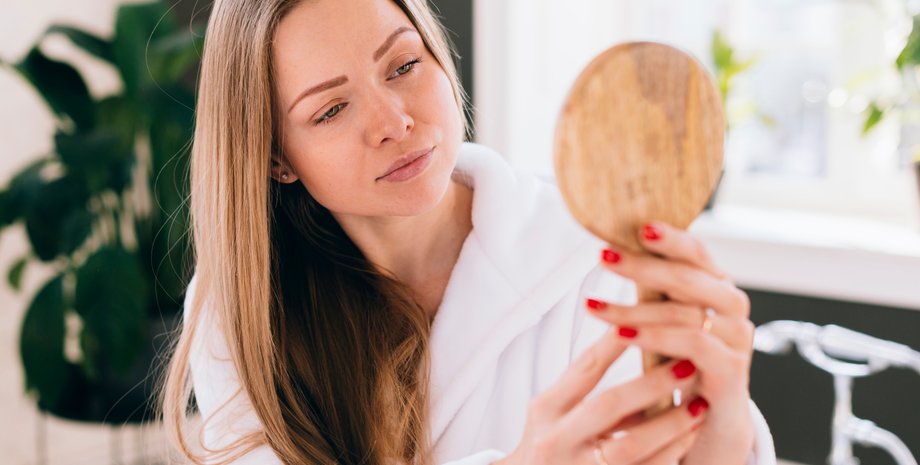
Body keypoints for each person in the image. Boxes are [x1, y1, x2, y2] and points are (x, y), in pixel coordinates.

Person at [161, 0, 777, 464]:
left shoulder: (597, 263)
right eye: (330, 109)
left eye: (403, 65)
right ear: (276, 158)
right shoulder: (238, 312)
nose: (394, 121)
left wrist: (723, 442)